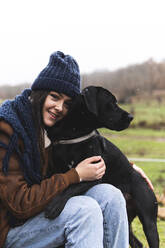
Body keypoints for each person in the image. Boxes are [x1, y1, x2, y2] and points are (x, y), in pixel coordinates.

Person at [0, 51, 153, 248]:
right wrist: (74, 176)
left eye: (67, 103)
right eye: (54, 97)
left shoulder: (52, 130)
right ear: (40, 93)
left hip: (39, 214)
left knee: (110, 196)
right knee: (84, 210)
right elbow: (19, 204)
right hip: (12, 231)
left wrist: (130, 169)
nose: (59, 108)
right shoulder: (9, 130)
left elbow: (91, 148)